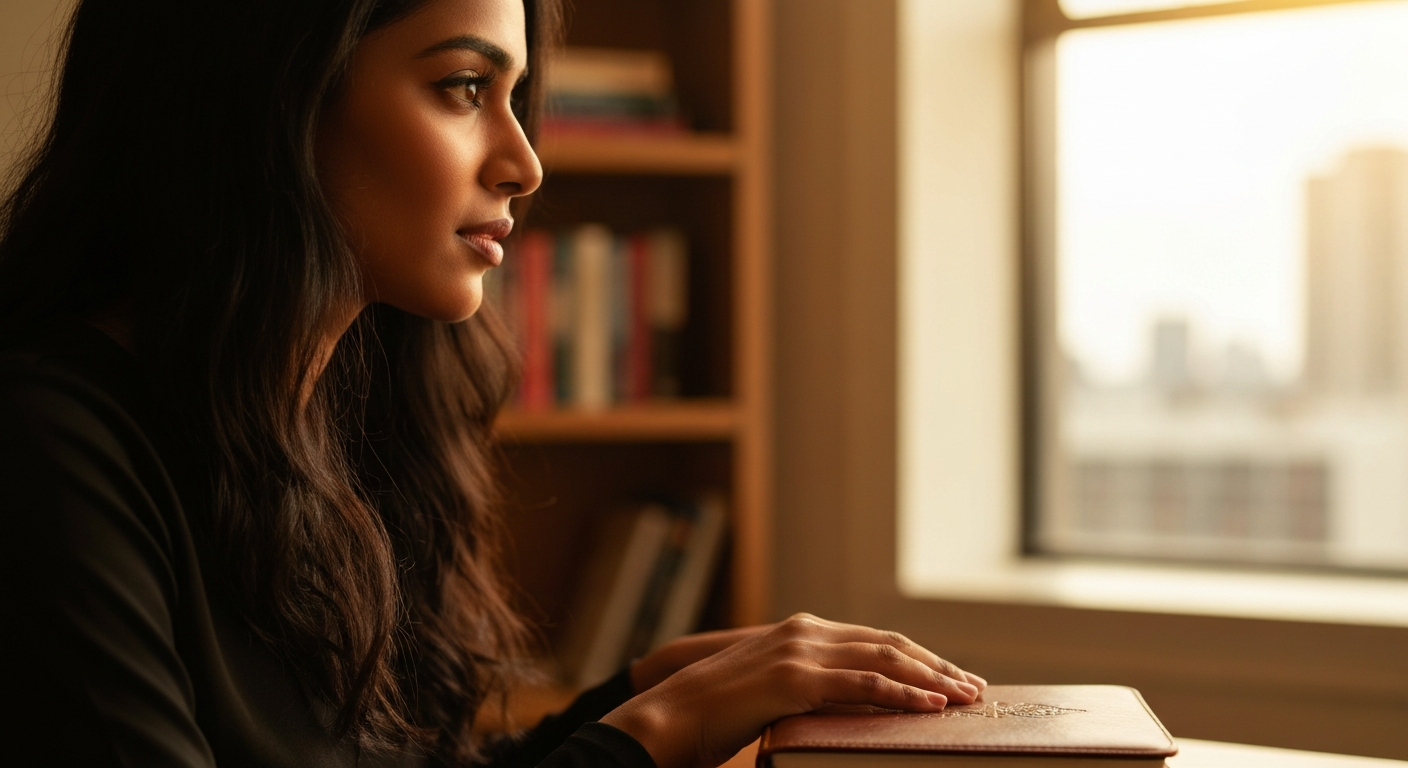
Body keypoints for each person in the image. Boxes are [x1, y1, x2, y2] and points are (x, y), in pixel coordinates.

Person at [0, 0, 987, 766]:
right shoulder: (46, 446)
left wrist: (641, 692)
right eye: (464, 87)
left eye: (515, 96)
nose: (524, 164)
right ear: (264, 94)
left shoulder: (350, 428)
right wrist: (661, 729)